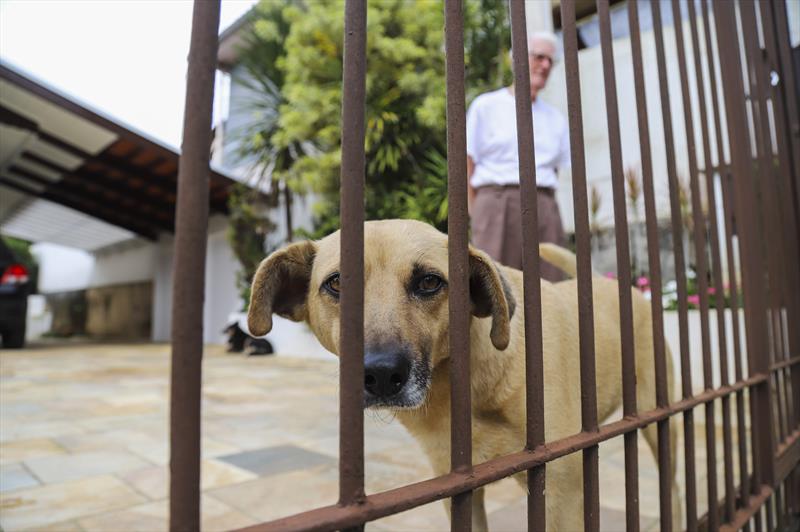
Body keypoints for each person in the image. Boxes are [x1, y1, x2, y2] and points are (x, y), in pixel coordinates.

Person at [466, 32, 570, 282]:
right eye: (539, 57)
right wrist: (475, 210)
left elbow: (554, 169)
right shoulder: (486, 106)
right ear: (518, 60)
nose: (545, 65)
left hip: (544, 204)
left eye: (550, 61)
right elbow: (467, 161)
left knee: (550, 286)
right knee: (494, 287)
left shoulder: (555, 118)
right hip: (496, 202)